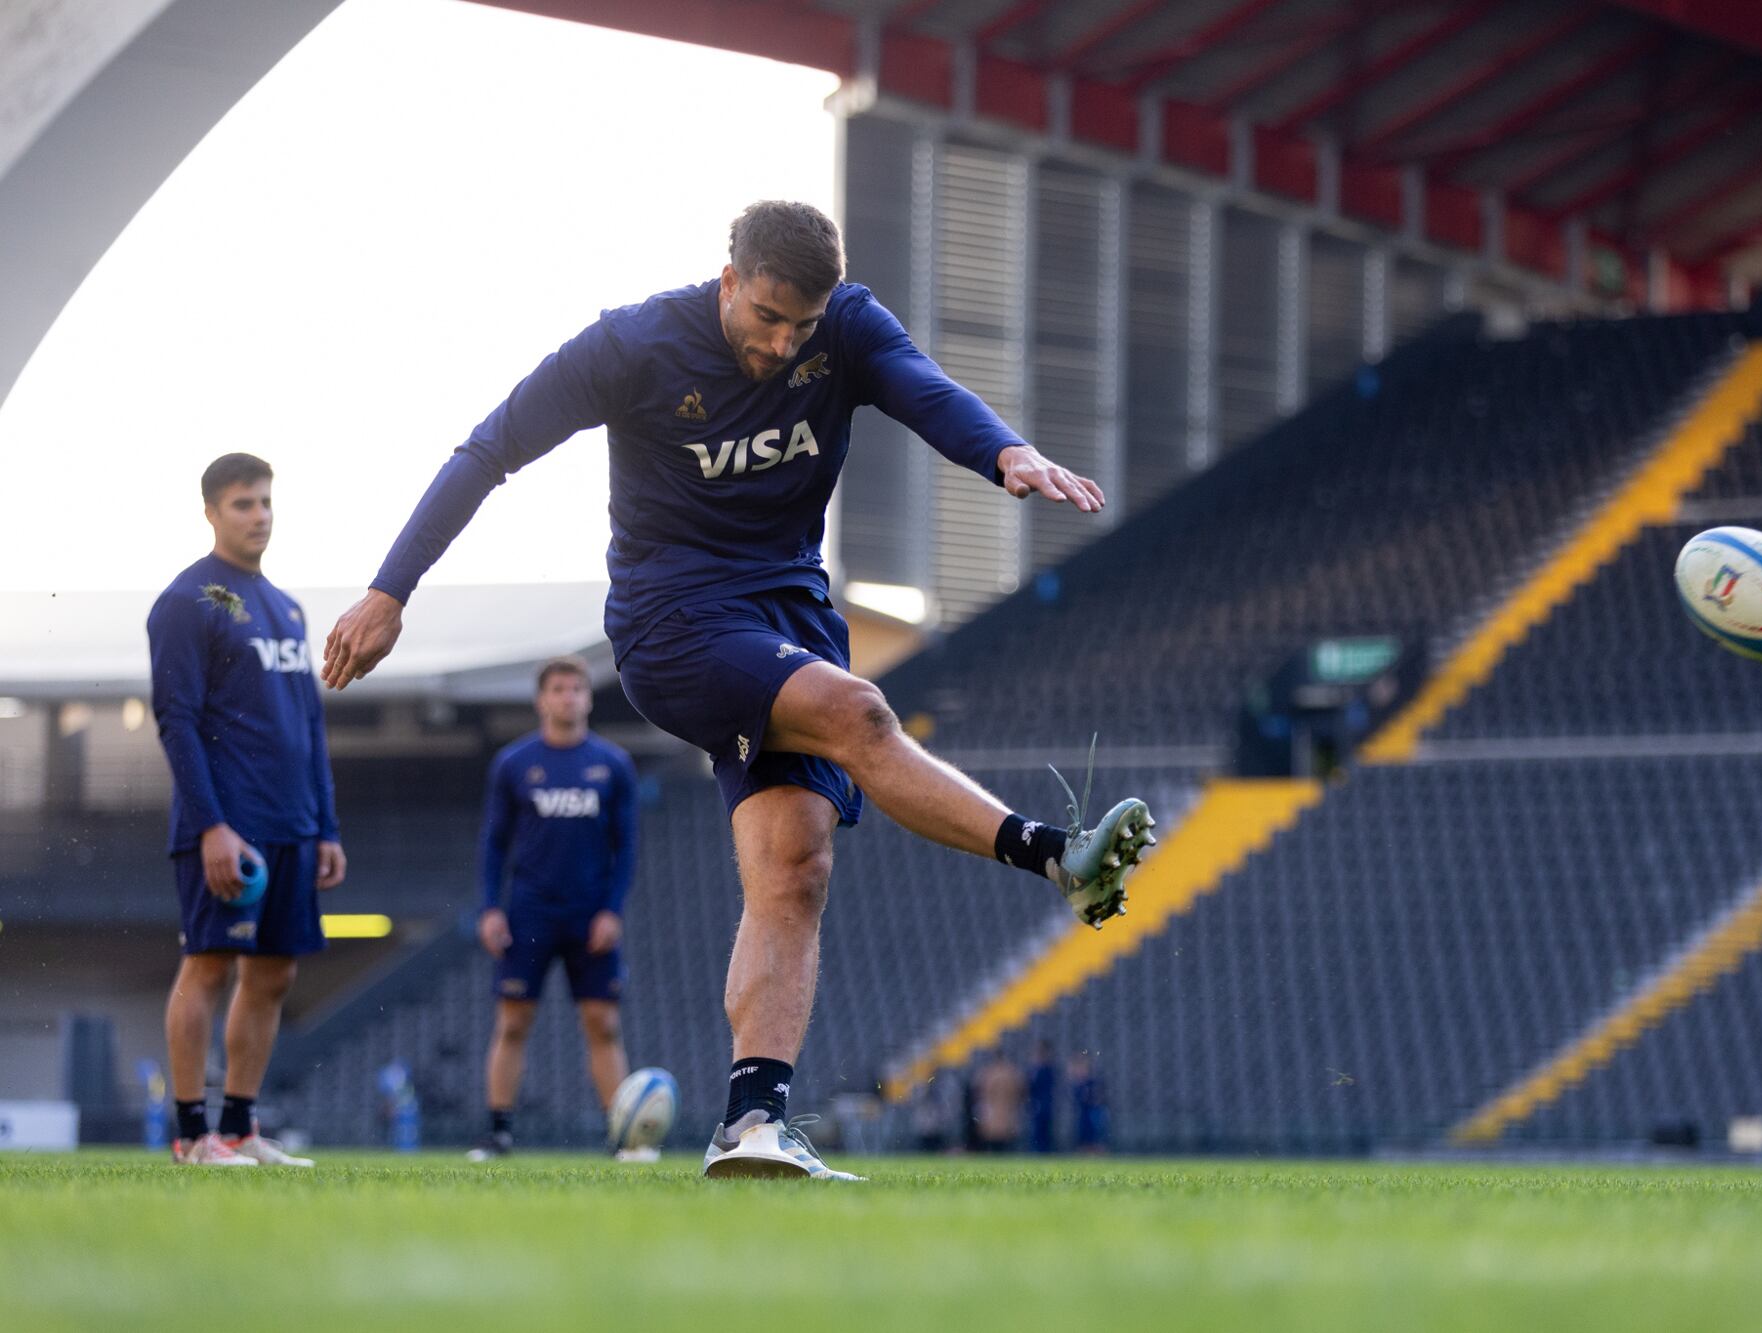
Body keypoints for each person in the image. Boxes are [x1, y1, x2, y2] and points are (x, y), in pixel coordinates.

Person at [320, 200, 1155, 1181]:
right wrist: (390, 589)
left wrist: (1002, 450)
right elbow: (487, 448)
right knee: (859, 711)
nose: (782, 340)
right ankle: (1055, 856)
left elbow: (921, 387)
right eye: (765, 315)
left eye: (800, 324)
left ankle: (750, 1122)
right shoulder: (630, 345)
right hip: (673, 622)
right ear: (729, 280)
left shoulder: (844, 326)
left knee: (794, 868)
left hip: (789, 617)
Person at [148, 453, 344, 1166]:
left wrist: (325, 824)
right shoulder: (187, 601)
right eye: (242, 503)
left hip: (294, 822)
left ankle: (237, 1128)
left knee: (273, 975)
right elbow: (176, 719)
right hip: (229, 825)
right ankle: (191, 1132)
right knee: (209, 965)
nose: (258, 514)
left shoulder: (286, 607)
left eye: (264, 501)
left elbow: (309, 723)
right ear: (210, 511)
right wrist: (212, 826)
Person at [466, 656, 641, 1162]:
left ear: (588, 697)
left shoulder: (612, 765)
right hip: (530, 913)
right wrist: (489, 908)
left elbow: (625, 846)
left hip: (590, 915)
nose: (568, 697)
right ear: (542, 699)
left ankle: (623, 1139)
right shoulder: (514, 764)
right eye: (558, 689)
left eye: (576, 689)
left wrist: (612, 910)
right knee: (513, 1021)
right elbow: (494, 843)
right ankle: (498, 1133)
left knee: (603, 1024)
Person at [1026, 1039, 1061, 1154]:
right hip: (1037, 1104)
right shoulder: (1034, 1069)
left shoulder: (1048, 1069)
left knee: (1044, 1131)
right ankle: (1037, 1152)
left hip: (1044, 1104)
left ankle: (1043, 1152)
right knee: (1036, 1131)